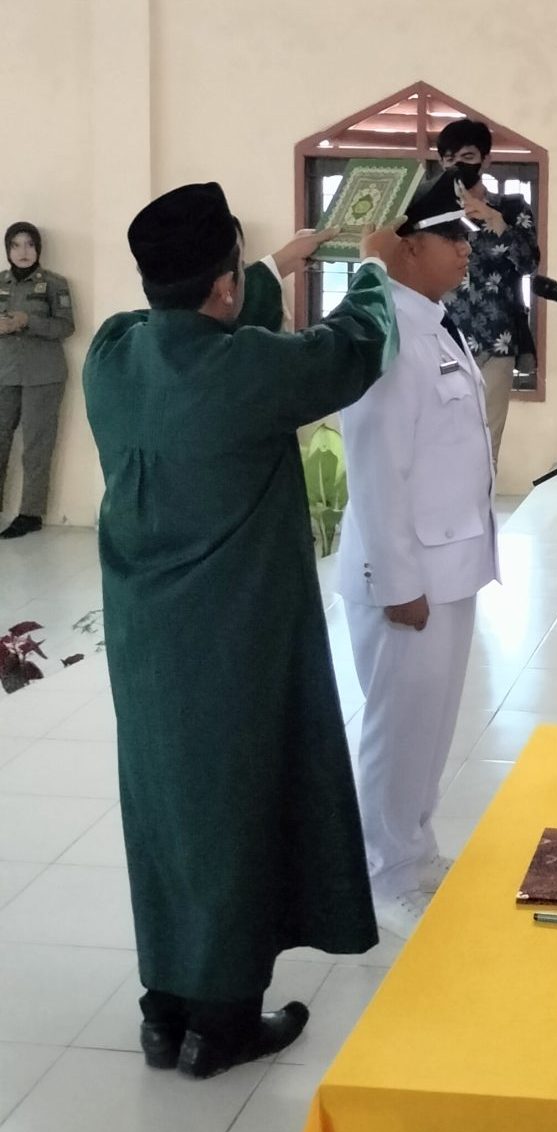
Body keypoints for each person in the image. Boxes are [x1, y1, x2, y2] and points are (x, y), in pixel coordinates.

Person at [83, 182, 400, 1079]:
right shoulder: (249, 373)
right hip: (235, 637)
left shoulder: (110, 356)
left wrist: (268, 269)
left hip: (145, 644)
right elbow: (352, 347)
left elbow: (193, 329)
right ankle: (220, 1023)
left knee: (164, 817)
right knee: (231, 813)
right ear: (223, 289)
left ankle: (164, 1007)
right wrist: (371, 271)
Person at [337, 170, 499, 940]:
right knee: (397, 724)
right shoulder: (386, 331)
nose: (466, 249)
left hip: (450, 563)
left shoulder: (432, 319)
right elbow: (374, 465)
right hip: (407, 573)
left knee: (431, 723)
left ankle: (416, 846)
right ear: (405, 245)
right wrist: (396, 581)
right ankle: (384, 870)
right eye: (451, 236)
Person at [438, 117, 540, 470]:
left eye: (466, 156)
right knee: (442, 441)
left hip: (498, 340)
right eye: (448, 158)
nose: (456, 166)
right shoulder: (431, 212)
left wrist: (496, 222)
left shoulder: (512, 208)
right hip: (444, 339)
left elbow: (528, 263)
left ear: (485, 160)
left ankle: (481, 524)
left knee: (485, 445)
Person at [0, 222, 75, 538]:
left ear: (38, 248)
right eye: (15, 245)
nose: (23, 252)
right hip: (4, 372)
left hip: (43, 375)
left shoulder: (55, 284)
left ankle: (30, 514)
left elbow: (66, 327)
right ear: (7, 250)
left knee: (36, 446)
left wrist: (27, 321)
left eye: (29, 244)